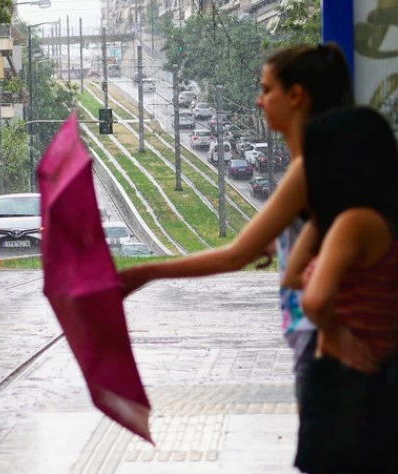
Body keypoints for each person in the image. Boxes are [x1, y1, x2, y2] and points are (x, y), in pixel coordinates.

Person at [119, 43, 353, 379]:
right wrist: (281, 244)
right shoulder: (323, 161)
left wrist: (145, 272)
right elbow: (322, 237)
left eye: (267, 89)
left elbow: (234, 256)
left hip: (322, 346)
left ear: (295, 96)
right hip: (315, 342)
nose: (259, 101)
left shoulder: (307, 170)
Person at [281, 106, 398, 474]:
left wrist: (336, 335)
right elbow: (292, 275)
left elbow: (314, 298)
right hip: (359, 401)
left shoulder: (356, 224)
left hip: (346, 397)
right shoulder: (364, 221)